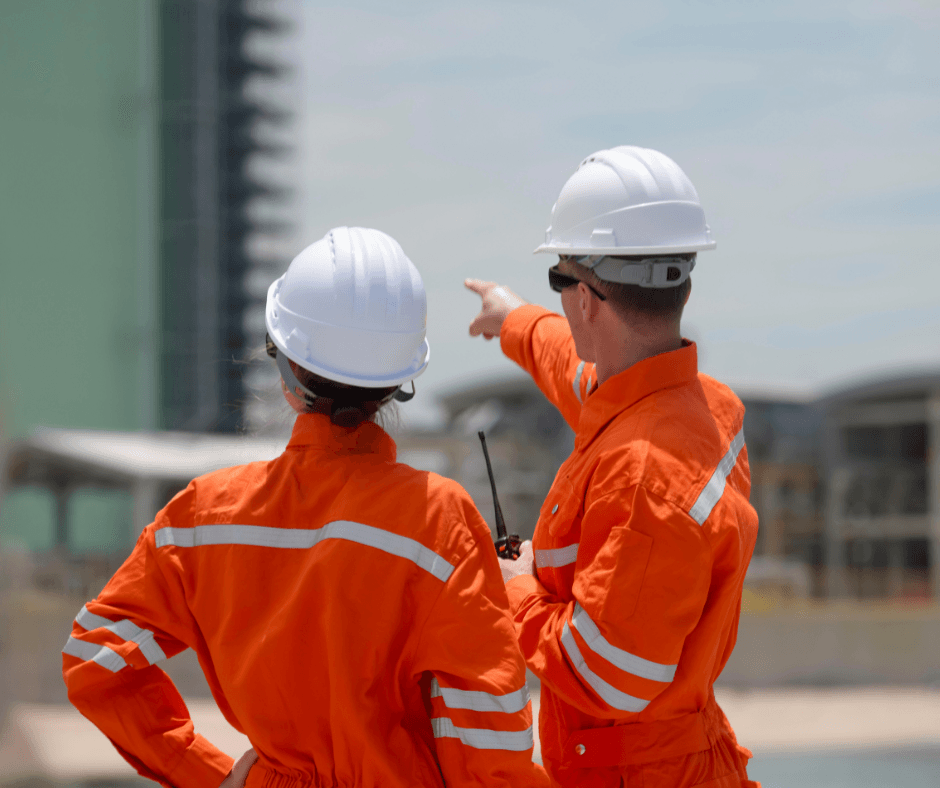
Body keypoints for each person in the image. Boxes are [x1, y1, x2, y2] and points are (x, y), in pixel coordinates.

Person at [63, 226, 548, 788]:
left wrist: (212, 776)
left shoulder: (202, 515)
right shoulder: (437, 519)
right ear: (399, 383)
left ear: (284, 364)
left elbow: (95, 659)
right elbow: (490, 740)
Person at [465, 146, 761, 788]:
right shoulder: (698, 407)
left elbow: (609, 674)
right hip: (687, 755)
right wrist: (512, 316)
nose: (563, 303)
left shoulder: (644, 480)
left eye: (559, 279)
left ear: (590, 302)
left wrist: (514, 587)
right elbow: (565, 363)